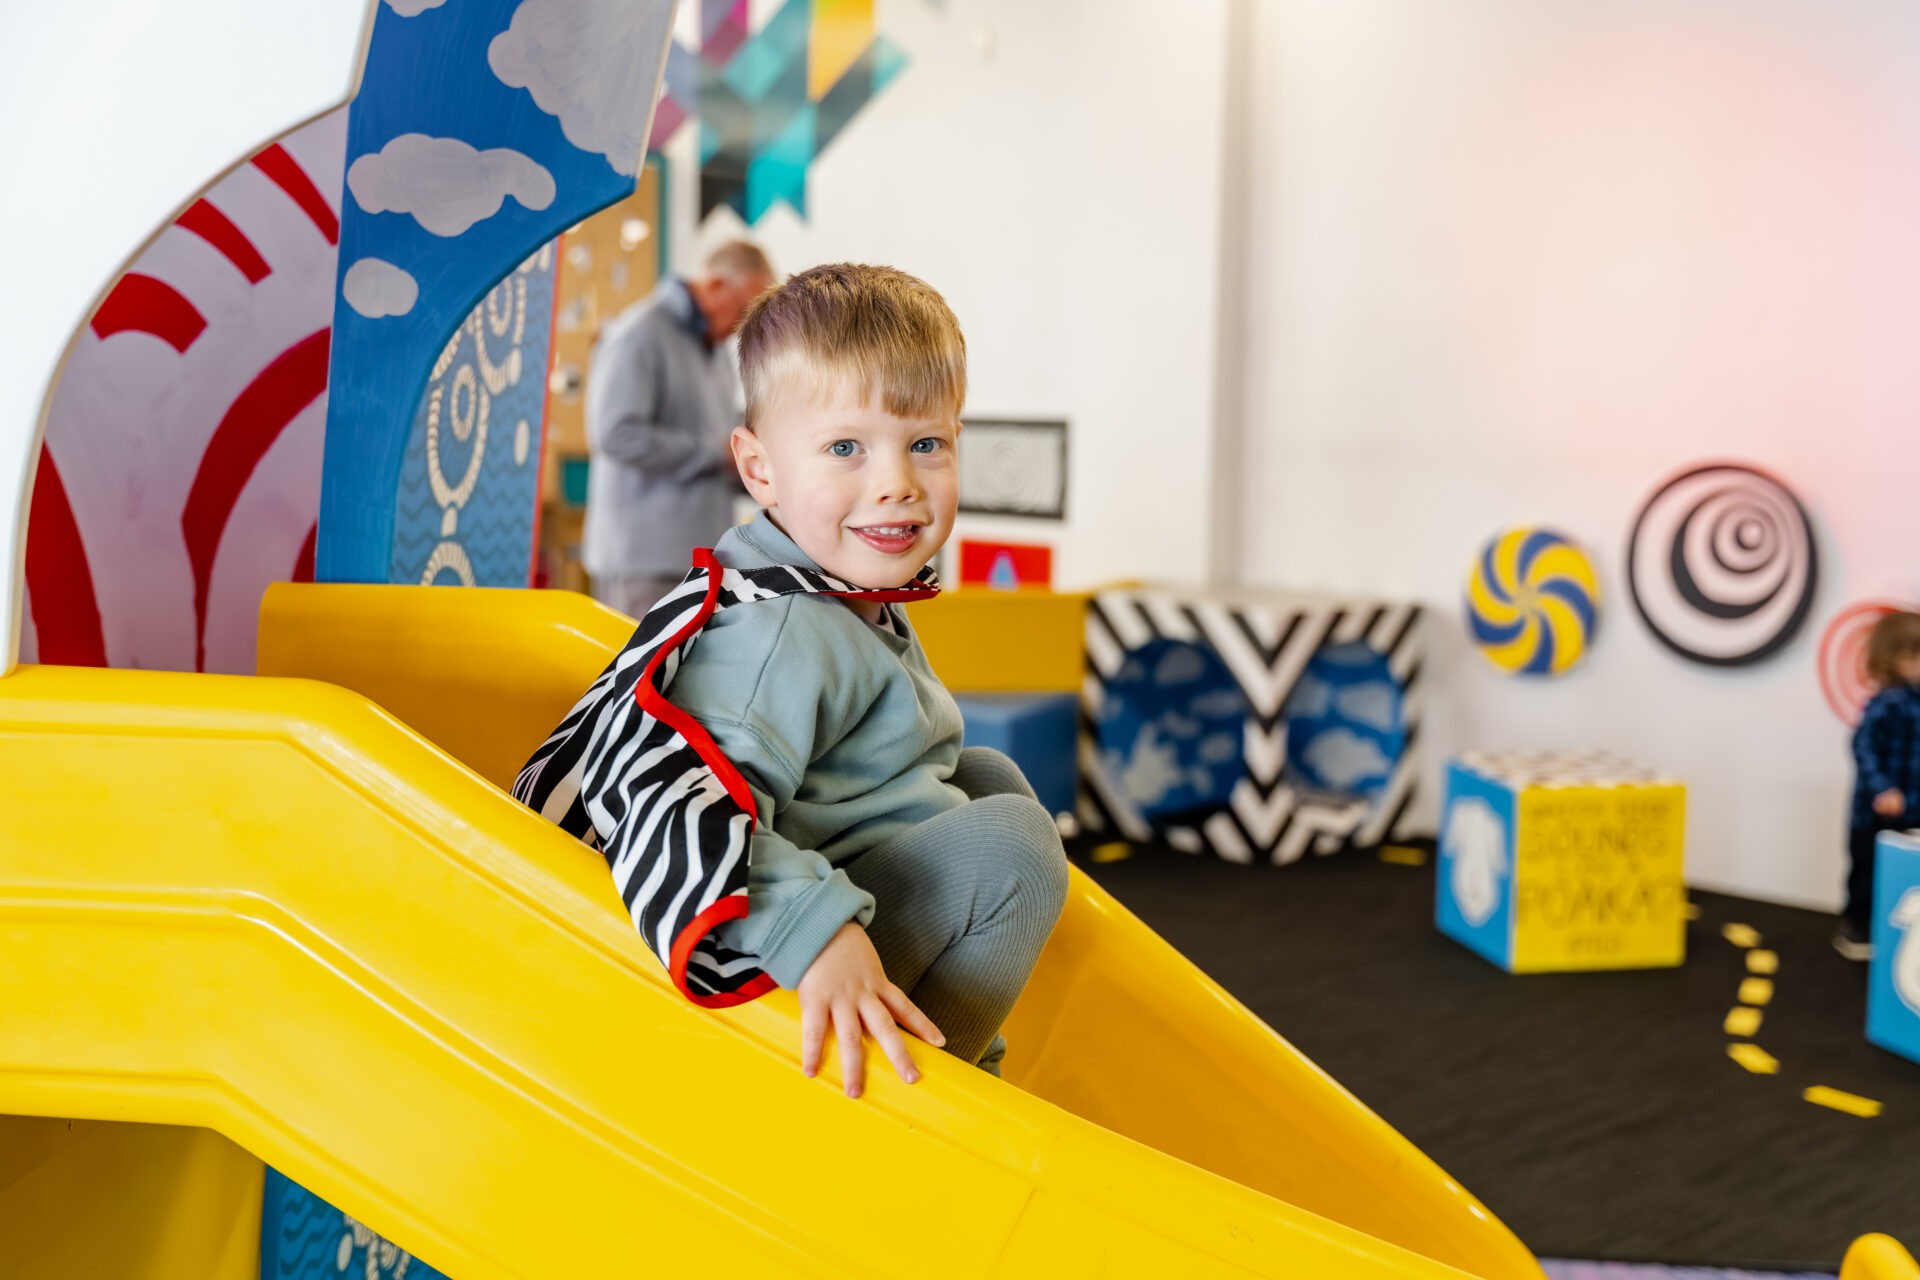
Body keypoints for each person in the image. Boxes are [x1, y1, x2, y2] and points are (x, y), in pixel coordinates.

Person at [516, 264, 1069, 1096]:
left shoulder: (839, 581)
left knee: (986, 778)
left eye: (928, 443)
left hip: (846, 866)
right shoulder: (779, 630)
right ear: (759, 467)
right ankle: (937, 1089)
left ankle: (935, 1035)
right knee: (1016, 850)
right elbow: (684, 805)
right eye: (846, 447)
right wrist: (815, 934)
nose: (897, 483)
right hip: (778, 971)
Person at [581, 240, 776, 619]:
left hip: (700, 558)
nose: (741, 327)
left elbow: (719, 435)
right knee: (642, 678)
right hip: (644, 563)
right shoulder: (639, 333)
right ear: (717, 286)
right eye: (742, 311)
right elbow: (615, 435)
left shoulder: (716, 350)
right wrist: (716, 454)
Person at [1838, 610, 1920, 960]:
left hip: (1912, 810)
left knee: (1906, 874)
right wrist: (1882, 788)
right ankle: (1856, 927)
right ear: (1891, 659)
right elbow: (1863, 746)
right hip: (1876, 814)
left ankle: (1897, 934)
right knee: (1867, 872)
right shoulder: (1885, 703)